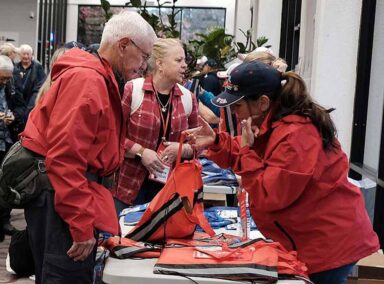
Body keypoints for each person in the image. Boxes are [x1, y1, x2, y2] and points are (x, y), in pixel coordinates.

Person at [185, 61, 380, 284]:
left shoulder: (297, 135)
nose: (233, 112)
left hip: (326, 246)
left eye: (237, 106)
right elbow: (258, 153)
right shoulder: (278, 124)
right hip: (312, 239)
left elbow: (271, 194)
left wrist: (246, 152)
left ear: (262, 103)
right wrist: (218, 141)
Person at [19, 11, 157, 283]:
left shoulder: (95, 77)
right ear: (123, 44)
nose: (144, 65)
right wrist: (80, 223)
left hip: (66, 197)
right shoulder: (88, 80)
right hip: (65, 200)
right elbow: (64, 159)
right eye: (143, 56)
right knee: (66, 275)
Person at [113, 38, 199, 215]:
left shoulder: (187, 98)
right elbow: (112, 135)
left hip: (170, 191)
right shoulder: (132, 90)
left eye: (184, 60)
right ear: (159, 64)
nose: (184, 66)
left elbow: (200, 143)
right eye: (178, 60)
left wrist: (183, 150)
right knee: (124, 239)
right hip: (128, 187)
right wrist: (141, 152)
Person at [0, 55, 26, 235]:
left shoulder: (11, 84)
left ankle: (4, 219)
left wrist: (14, 117)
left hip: (8, 142)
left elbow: (22, 108)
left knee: (7, 183)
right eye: (2, 78)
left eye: (8, 78)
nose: (5, 82)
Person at [13, 44, 45, 112]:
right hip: (17, 103)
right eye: (23, 54)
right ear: (19, 55)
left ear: (31, 55)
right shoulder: (15, 67)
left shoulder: (38, 67)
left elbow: (42, 85)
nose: (26, 56)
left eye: (28, 54)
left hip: (32, 103)